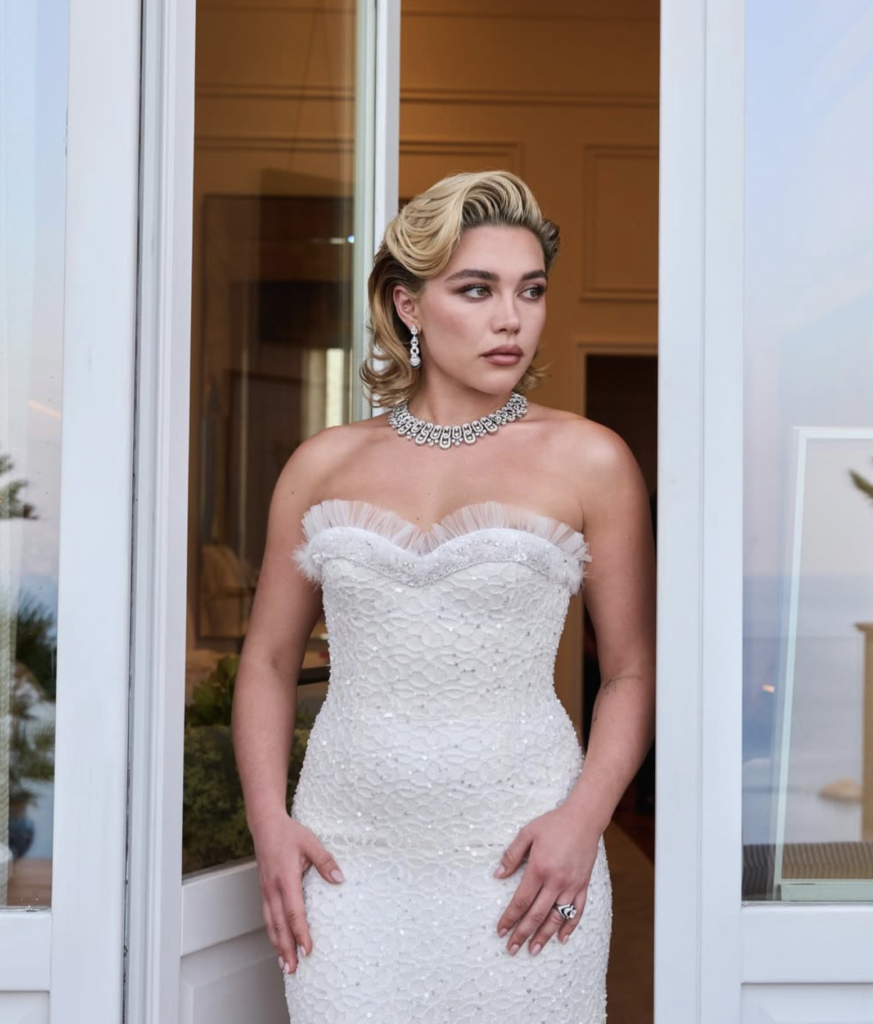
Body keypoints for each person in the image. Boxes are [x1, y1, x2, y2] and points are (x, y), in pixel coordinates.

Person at [231, 170, 656, 1022]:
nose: (512, 318)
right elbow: (270, 662)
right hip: (348, 860)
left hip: (524, 858)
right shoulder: (322, 464)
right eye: (477, 289)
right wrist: (268, 822)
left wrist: (583, 820)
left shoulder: (591, 460)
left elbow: (631, 673)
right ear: (408, 306)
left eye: (529, 291)